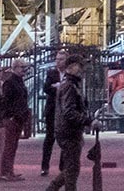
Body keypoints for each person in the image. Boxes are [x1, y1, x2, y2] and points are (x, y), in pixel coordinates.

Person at [45, 54, 90, 191]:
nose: (82, 69)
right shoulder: (69, 86)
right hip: (68, 131)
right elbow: (69, 112)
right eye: (79, 66)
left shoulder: (72, 84)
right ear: (71, 67)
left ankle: (52, 188)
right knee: (71, 170)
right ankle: (53, 188)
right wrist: (87, 120)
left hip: (70, 131)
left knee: (72, 168)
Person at [0, 58, 32, 181]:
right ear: (15, 68)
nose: (24, 70)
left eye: (25, 67)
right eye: (22, 67)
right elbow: (6, 101)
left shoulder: (19, 81)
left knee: (13, 145)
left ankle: (9, 170)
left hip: (19, 117)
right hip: (12, 118)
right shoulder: (10, 82)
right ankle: (5, 172)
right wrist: (11, 115)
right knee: (9, 145)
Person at [41, 49, 68, 177]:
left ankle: (63, 166)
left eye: (61, 59)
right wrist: (57, 87)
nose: (58, 62)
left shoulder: (69, 74)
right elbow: (46, 88)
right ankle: (44, 166)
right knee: (49, 138)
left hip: (65, 110)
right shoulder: (51, 73)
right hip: (52, 109)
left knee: (64, 139)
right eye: (57, 59)